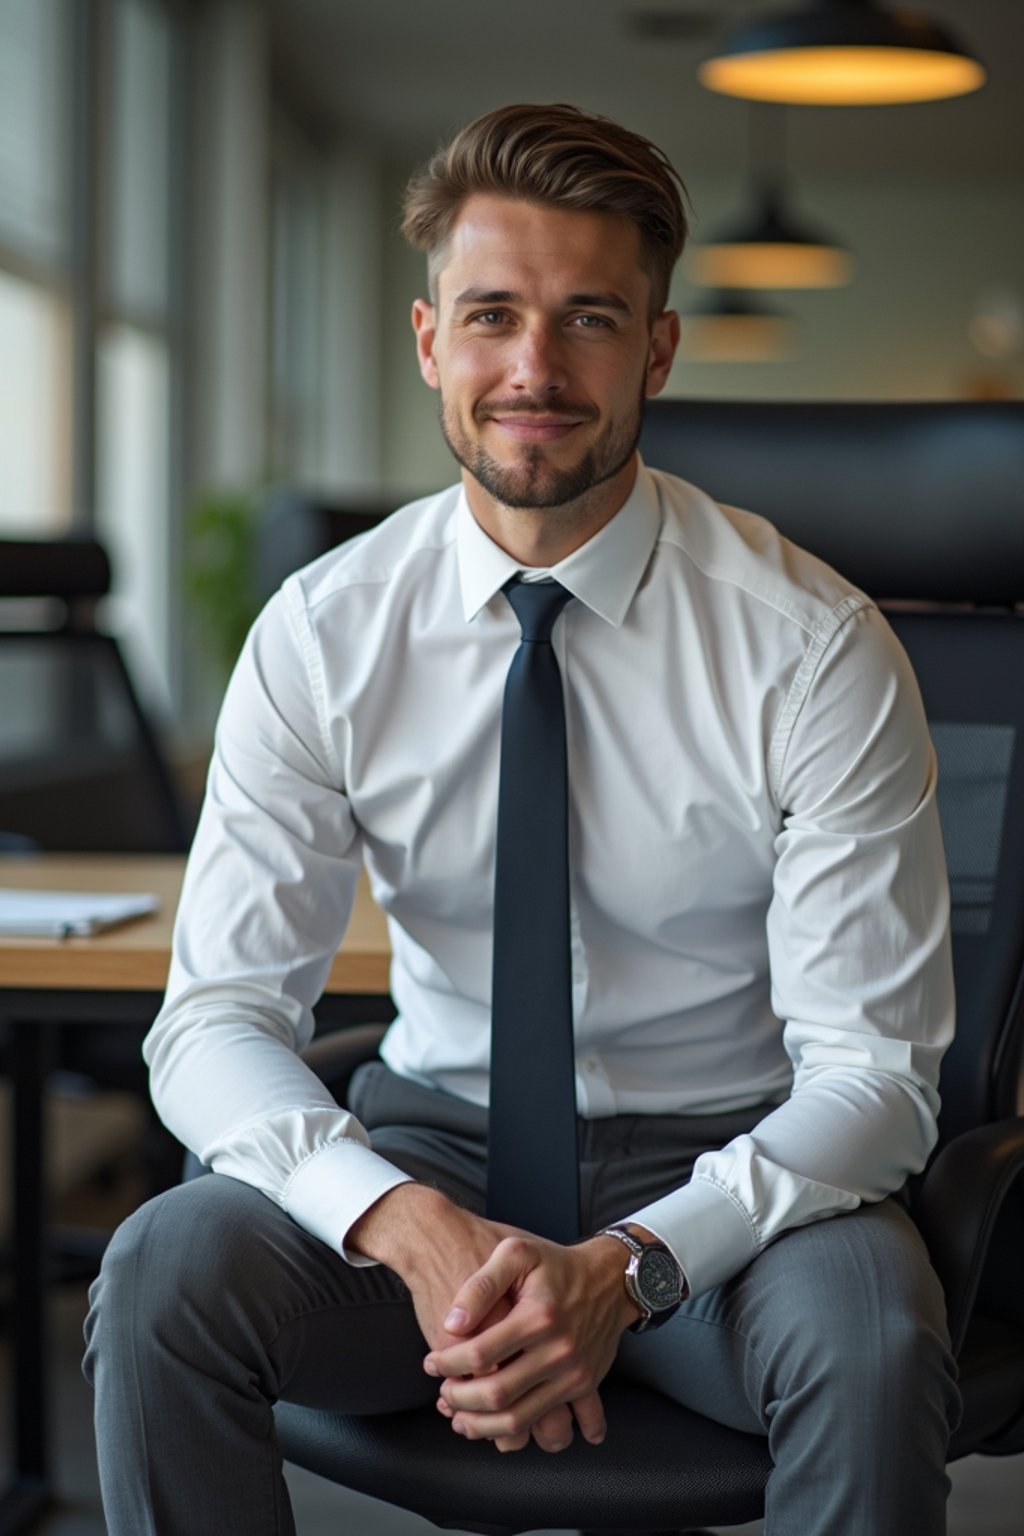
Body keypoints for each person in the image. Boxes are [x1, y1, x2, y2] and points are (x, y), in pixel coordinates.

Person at [85, 102, 960, 1534]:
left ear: (657, 352)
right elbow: (215, 1019)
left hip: (729, 1177)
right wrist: (408, 1228)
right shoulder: (322, 636)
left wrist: (625, 1266)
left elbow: (875, 1078)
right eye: (491, 315)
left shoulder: (813, 645)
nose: (534, 370)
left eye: (590, 319)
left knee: (870, 1334)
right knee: (164, 1271)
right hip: (431, 1146)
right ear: (431, 339)